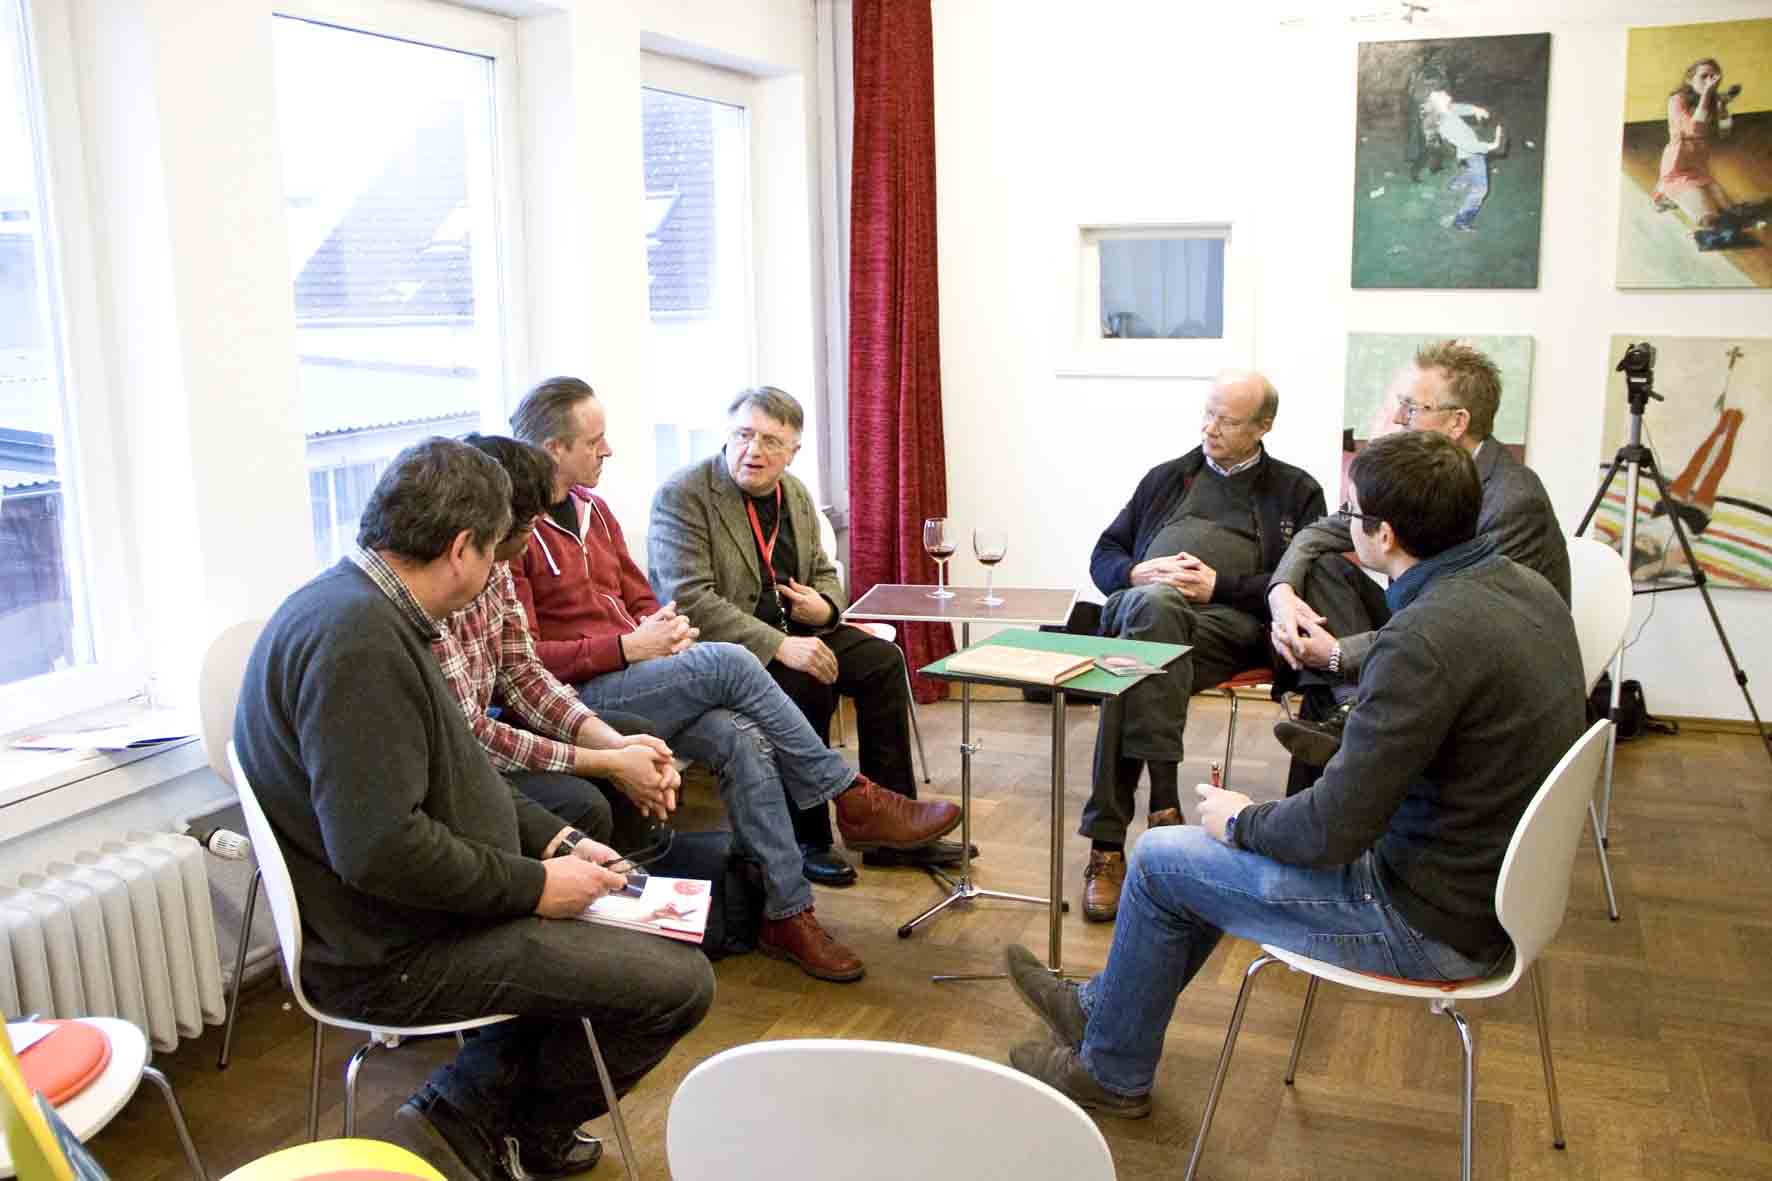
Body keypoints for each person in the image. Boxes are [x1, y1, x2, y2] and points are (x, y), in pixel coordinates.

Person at [1001, 430, 1586, 1118]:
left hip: (1425, 922)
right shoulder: (1531, 590)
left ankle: (1110, 1070)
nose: (1342, 523)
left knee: (1161, 859)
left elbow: (1329, 832)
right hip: (1498, 899)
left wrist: (1241, 820)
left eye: (1351, 512)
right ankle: (1101, 1015)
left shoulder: (1423, 638)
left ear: (1384, 536)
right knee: (1199, 861)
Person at [232, 438, 714, 1181]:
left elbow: (461, 773)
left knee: (645, 944)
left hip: (423, 916)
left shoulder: (361, 609)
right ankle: (480, 1117)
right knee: (679, 985)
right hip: (394, 952)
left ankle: (480, 1112)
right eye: (494, 553)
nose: (497, 573)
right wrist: (537, 886)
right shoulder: (359, 645)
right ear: (462, 548)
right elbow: (381, 850)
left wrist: (557, 840)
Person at [508, 376, 962, 981]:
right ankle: (850, 795)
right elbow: (525, 663)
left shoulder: (596, 509)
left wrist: (664, 632)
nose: (608, 449)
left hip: (643, 670)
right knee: (731, 661)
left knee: (743, 738)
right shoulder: (514, 534)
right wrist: (628, 646)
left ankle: (787, 912)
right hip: (579, 700)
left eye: (771, 440)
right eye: (595, 441)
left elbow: (643, 597)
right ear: (553, 449)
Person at [648, 386, 967, 880]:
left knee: (883, 663)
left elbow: (821, 571)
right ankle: (808, 839)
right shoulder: (684, 494)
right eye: (743, 435)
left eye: (771, 441)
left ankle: (890, 830)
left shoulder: (793, 492)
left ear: (793, 451)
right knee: (806, 680)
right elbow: (689, 599)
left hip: (797, 627)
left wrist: (826, 607)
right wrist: (779, 645)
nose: (753, 450)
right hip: (730, 650)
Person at [1081, 371, 1325, 922]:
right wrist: (1138, 572)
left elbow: (1305, 584)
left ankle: (1107, 845)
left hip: (1227, 628)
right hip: (1142, 610)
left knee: (1130, 671)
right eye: (1208, 414)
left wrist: (1220, 587)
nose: (1209, 429)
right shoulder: (1167, 478)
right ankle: (1164, 808)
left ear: (1264, 426)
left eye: (1227, 421)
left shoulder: (1296, 491)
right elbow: (1104, 556)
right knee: (1153, 613)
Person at [1267, 340, 1570, 766]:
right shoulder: (1419, 473)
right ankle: (1350, 708)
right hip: (1429, 623)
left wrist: (1336, 655)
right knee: (1322, 568)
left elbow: (1463, 623)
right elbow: (1321, 532)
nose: (1397, 418)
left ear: (1457, 422)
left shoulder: (1512, 501)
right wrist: (1281, 592)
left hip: (1481, 661)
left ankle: (1348, 727)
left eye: (1411, 407)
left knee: (1323, 689)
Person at [435, 434, 685, 864]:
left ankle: (637, 875)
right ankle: (614, 878)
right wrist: (606, 761)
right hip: (462, 758)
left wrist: (614, 747)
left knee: (641, 735)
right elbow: (471, 737)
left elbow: (524, 674)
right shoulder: (440, 593)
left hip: (491, 730)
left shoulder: (495, 569)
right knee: (585, 800)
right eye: (532, 524)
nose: (538, 533)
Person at [1653, 59, 1748, 251]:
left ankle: (1674, 197)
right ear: (1690, 79)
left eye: (1713, 77)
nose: (1709, 81)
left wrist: (1722, 109)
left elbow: (1725, 132)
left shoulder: (1712, 100)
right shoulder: (1677, 100)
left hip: (1698, 168)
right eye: (1703, 76)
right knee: (1708, 218)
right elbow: (1695, 129)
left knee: (1732, 211)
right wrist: (1707, 94)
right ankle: (1664, 192)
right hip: (1678, 168)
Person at [1425, 86, 1506, 232]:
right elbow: (1470, 146)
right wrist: (1492, 146)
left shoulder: (1446, 110)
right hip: (1472, 153)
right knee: (1480, 190)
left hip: (1469, 152)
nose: (1443, 92)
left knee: (1471, 171)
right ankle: (1461, 221)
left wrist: (1475, 109)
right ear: (1438, 104)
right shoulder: (1447, 124)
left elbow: (1458, 108)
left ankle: (1455, 185)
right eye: (1440, 94)